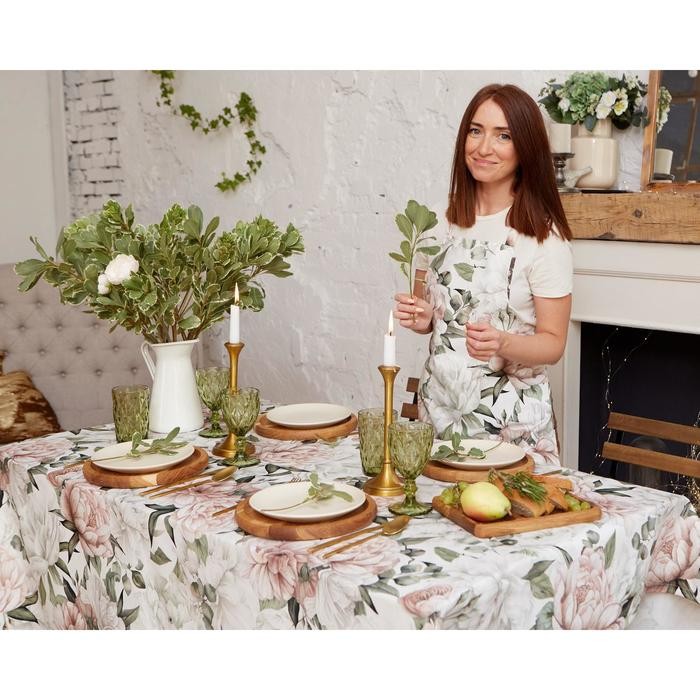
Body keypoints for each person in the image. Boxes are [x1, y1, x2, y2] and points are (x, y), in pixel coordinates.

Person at [394, 83, 573, 467]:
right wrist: (423, 318)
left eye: (503, 136)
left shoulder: (544, 238)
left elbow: (554, 344)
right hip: (439, 415)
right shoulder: (437, 223)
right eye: (476, 131)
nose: (484, 147)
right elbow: (431, 316)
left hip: (511, 428)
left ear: (525, 148)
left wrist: (503, 342)